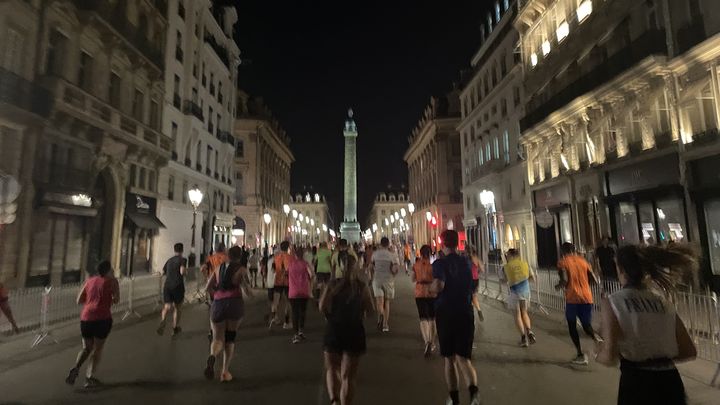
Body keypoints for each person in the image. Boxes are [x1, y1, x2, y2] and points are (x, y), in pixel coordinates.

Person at [596, 244, 697, 405]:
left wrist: (597, 353)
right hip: (670, 381)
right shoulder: (663, 302)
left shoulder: (613, 302)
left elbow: (609, 356)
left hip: (637, 382)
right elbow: (689, 350)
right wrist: (659, 357)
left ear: (621, 270)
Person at [431, 230, 480, 405]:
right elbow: (475, 283)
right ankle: (474, 395)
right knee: (464, 358)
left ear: (442, 243)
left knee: (449, 358)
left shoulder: (439, 264)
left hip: (446, 312)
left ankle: (454, 399)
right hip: (465, 312)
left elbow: (438, 285)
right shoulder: (467, 262)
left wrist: (431, 289)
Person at [320, 252, 374, 405]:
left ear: (338, 267)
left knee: (331, 368)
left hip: (334, 330)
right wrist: (359, 314)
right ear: (356, 267)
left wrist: (329, 316)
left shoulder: (332, 285)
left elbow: (322, 306)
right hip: (354, 331)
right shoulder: (361, 287)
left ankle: (334, 400)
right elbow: (370, 311)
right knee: (348, 377)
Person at [65, 260, 120, 388]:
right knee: (97, 349)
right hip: (102, 319)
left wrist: (92, 301)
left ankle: (76, 368)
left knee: (86, 348)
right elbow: (117, 300)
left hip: (86, 318)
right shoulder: (112, 281)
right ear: (108, 270)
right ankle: (89, 378)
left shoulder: (90, 280)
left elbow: (79, 300)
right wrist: (108, 299)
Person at [204, 246, 251, 382]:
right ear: (239, 256)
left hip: (218, 304)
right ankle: (224, 372)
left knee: (217, 338)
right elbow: (247, 289)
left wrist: (217, 295)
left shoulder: (218, 268)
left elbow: (208, 287)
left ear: (228, 255)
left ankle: (213, 355)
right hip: (234, 304)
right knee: (230, 338)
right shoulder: (241, 269)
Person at [556, 242, 602, 365]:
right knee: (586, 324)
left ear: (563, 251)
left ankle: (580, 354)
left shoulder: (563, 262)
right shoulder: (583, 261)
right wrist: (584, 285)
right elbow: (594, 279)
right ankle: (596, 338)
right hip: (587, 297)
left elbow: (564, 280)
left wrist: (559, 286)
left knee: (572, 326)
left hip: (572, 298)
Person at [502, 249, 536, 347]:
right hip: (525, 292)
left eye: (507, 255)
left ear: (512, 256)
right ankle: (529, 331)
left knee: (517, 315)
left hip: (514, 293)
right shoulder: (525, 264)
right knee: (524, 313)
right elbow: (532, 278)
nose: (506, 257)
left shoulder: (506, 267)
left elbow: (504, 280)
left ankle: (523, 338)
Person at [369, 237, 399, 332]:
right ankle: (385, 325)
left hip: (377, 279)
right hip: (388, 280)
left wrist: (371, 276)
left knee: (379, 302)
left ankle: (380, 314)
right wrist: (393, 274)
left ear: (380, 244)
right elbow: (395, 269)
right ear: (388, 244)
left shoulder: (375, 254)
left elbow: (370, 267)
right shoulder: (392, 255)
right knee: (387, 302)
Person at [157, 243, 187, 337]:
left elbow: (163, 272)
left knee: (167, 306)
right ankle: (175, 328)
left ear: (174, 250)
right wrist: (186, 272)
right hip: (178, 286)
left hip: (167, 286)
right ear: (182, 250)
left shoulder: (169, 260)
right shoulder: (183, 260)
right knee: (177, 308)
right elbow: (182, 271)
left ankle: (163, 320)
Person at [412, 245, 437, 356]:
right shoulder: (433, 266)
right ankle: (432, 342)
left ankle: (426, 341)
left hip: (419, 292)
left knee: (423, 318)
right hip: (431, 292)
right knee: (432, 318)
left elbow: (413, 279)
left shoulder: (416, 265)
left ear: (420, 254)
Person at [289, 246, 313, 344]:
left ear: (295, 255)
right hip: (303, 291)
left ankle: (295, 335)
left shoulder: (290, 264)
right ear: (302, 254)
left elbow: (286, 273)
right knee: (302, 312)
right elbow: (312, 275)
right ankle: (301, 331)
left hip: (293, 292)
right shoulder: (305, 264)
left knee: (294, 313)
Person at [269, 241, 292, 330]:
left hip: (277, 281)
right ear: (288, 247)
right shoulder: (290, 258)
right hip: (287, 282)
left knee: (276, 300)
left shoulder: (276, 257)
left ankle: (275, 318)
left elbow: (273, 270)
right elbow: (290, 270)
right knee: (288, 302)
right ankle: (286, 322)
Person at [468, 247, 485, 322]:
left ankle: (471, 313)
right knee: (474, 295)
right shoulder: (477, 259)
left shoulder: (468, 259)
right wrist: (477, 273)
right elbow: (482, 269)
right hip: (476, 280)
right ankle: (478, 309)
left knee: (469, 296)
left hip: (469, 279)